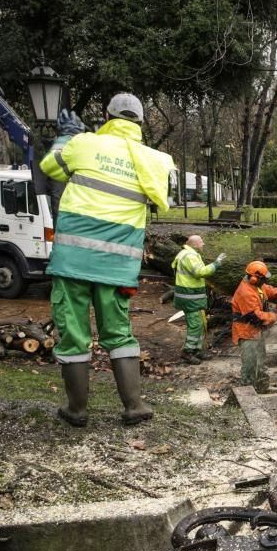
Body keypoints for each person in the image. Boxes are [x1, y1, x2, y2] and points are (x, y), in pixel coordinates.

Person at [40, 93, 172, 427]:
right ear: (140, 122)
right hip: (118, 265)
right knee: (119, 332)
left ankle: (77, 410)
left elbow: (49, 166)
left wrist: (66, 136)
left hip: (74, 260)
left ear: (107, 115)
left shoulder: (84, 143)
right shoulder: (155, 160)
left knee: (72, 330)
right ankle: (134, 406)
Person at [231, 261, 277, 387]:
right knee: (250, 363)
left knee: (261, 360)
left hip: (256, 331)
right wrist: (276, 315)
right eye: (263, 279)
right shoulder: (246, 292)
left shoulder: (257, 286)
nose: (264, 281)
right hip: (246, 331)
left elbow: (271, 291)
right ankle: (246, 390)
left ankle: (262, 387)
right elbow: (254, 316)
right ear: (255, 278)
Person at [172, 235, 226, 364]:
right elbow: (201, 272)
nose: (203, 244)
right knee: (195, 325)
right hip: (189, 296)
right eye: (201, 242)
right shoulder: (189, 256)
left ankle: (196, 350)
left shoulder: (190, 254)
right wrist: (216, 263)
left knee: (200, 324)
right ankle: (187, 352)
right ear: (195, 244)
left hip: (192, 296)